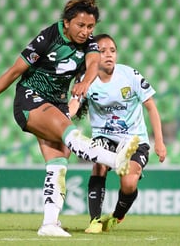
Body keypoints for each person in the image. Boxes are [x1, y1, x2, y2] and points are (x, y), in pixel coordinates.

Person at [0, 0, 139, 237]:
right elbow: (14, 71)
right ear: (66, 22)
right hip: (30, 99)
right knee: (68, 132)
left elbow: (93, 65)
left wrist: (85, 82)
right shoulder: (48, 36)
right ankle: (116, 161)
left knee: (58, 161)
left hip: (56, 103)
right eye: (80, 25)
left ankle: (49, 224)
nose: (86, 32)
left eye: (90, 27)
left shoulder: (90, 44)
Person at [69, 34, 167, 233]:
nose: (108, 55)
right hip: (104, 137)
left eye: (112, 51)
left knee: (129, 183)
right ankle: (94, 221)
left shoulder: (130, 75)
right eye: (103, 51)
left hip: (134, 138)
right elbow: (73, 105)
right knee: (99, 165)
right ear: (94, 55)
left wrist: (160, 142)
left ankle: (117, 216)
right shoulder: (87, 80)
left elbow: (151, 108)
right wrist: (61, 124)